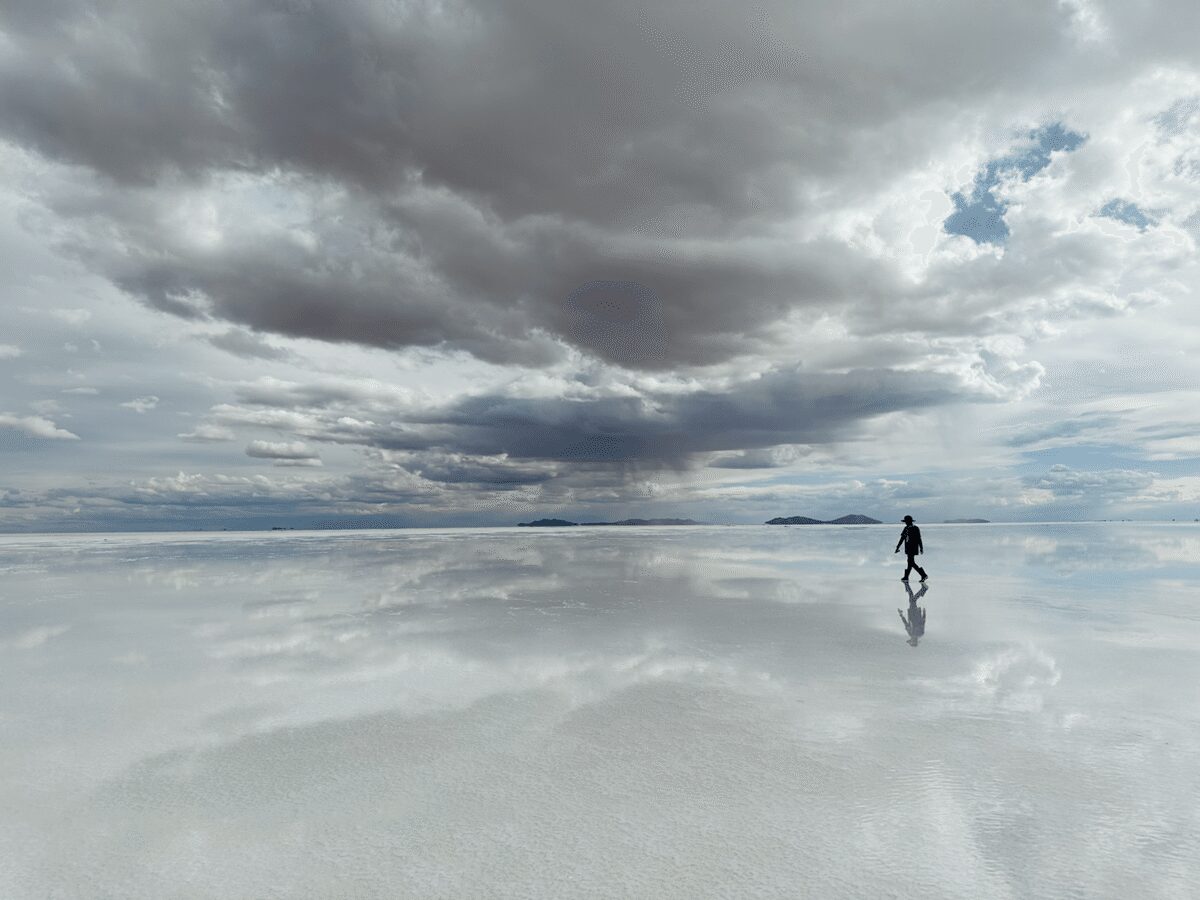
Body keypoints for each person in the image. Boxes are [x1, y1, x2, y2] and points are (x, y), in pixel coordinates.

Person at [894, 515, 927, 582]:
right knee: (910, 562)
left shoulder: (907, 528)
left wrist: (897, 547)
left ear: (908, 521)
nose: (905, 523)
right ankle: (906, 577)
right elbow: (919, 539)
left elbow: (902, 538)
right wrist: (921, 548)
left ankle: (923, 575)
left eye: (906, 521)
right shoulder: (915, 528)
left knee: (911, 562)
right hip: (913, 548)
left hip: (910, 548)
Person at [898, 581, 928, 646]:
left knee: (912, 599)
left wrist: (901, 615)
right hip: (914, 613)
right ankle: (923, 589)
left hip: (914, 613)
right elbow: (922, 622)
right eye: (911, 641)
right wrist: (901, 615)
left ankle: (908, 585)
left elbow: (906, 623)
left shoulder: (917, 633)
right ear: (914, 641)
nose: (911, 639)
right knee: (912, 599)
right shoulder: (915, 633)